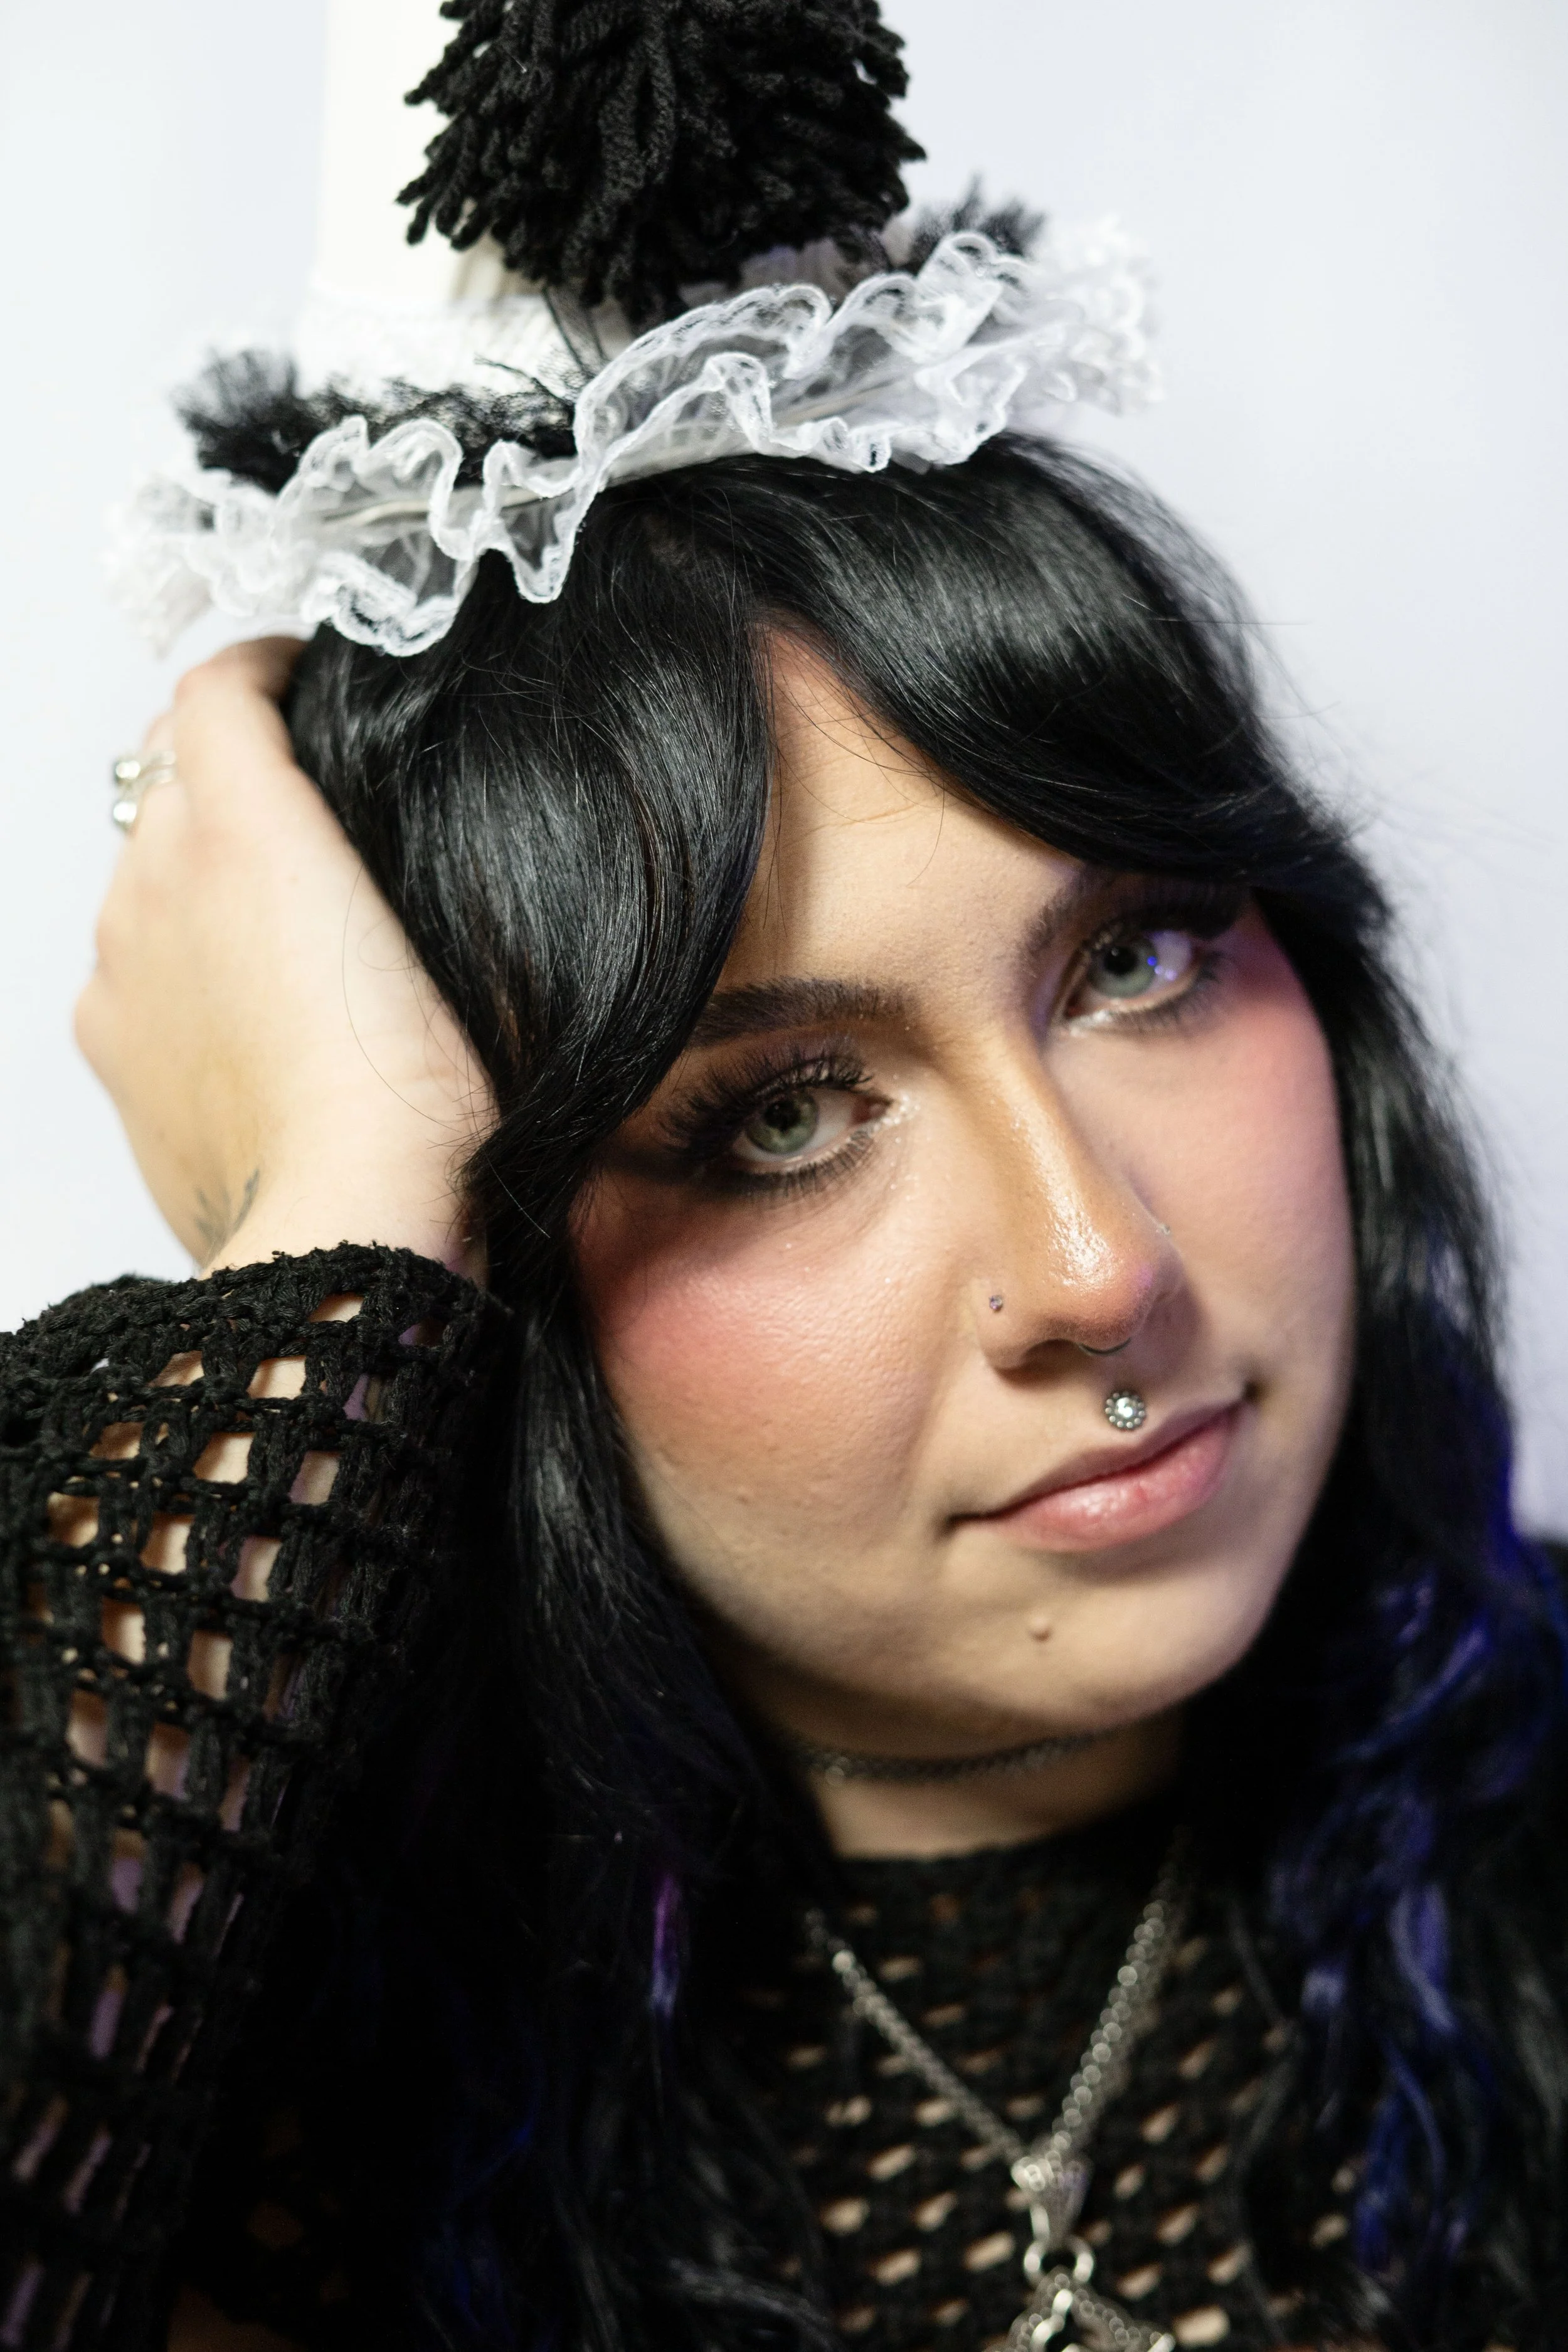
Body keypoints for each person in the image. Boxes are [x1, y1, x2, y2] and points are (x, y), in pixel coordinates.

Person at [3, 7, 1565, 2351]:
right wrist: (330, 1209)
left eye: (1136, 959)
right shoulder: (266, 2114)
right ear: (495, 1266)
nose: (1092, 1265)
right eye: (778, 1117)